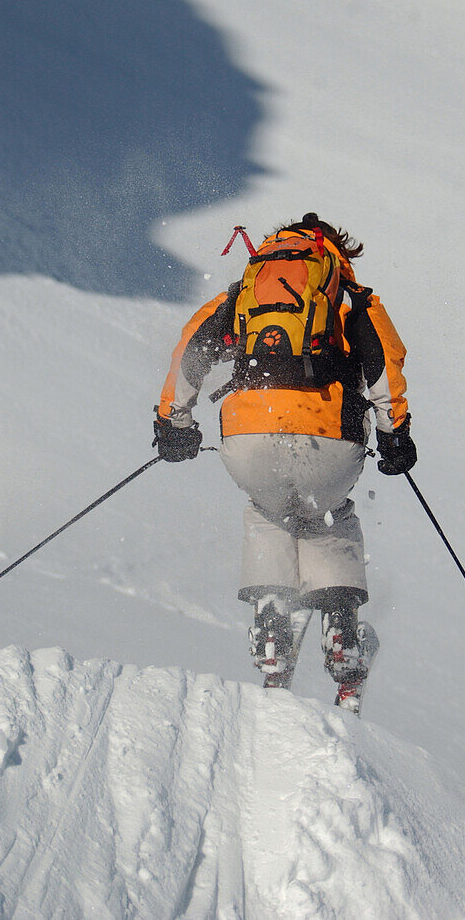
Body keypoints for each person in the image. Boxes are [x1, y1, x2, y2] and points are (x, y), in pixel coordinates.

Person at [153, 213, 416, 707]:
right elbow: (385, 360)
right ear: (337, 255)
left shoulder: (244, 294)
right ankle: (341, 635)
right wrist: (394, 433)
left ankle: (272, 625)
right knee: (327, 512)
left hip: (248, 434)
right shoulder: (350, 297)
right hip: (328, 436)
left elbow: (191, 349)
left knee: (269, 509)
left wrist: (174, 423)